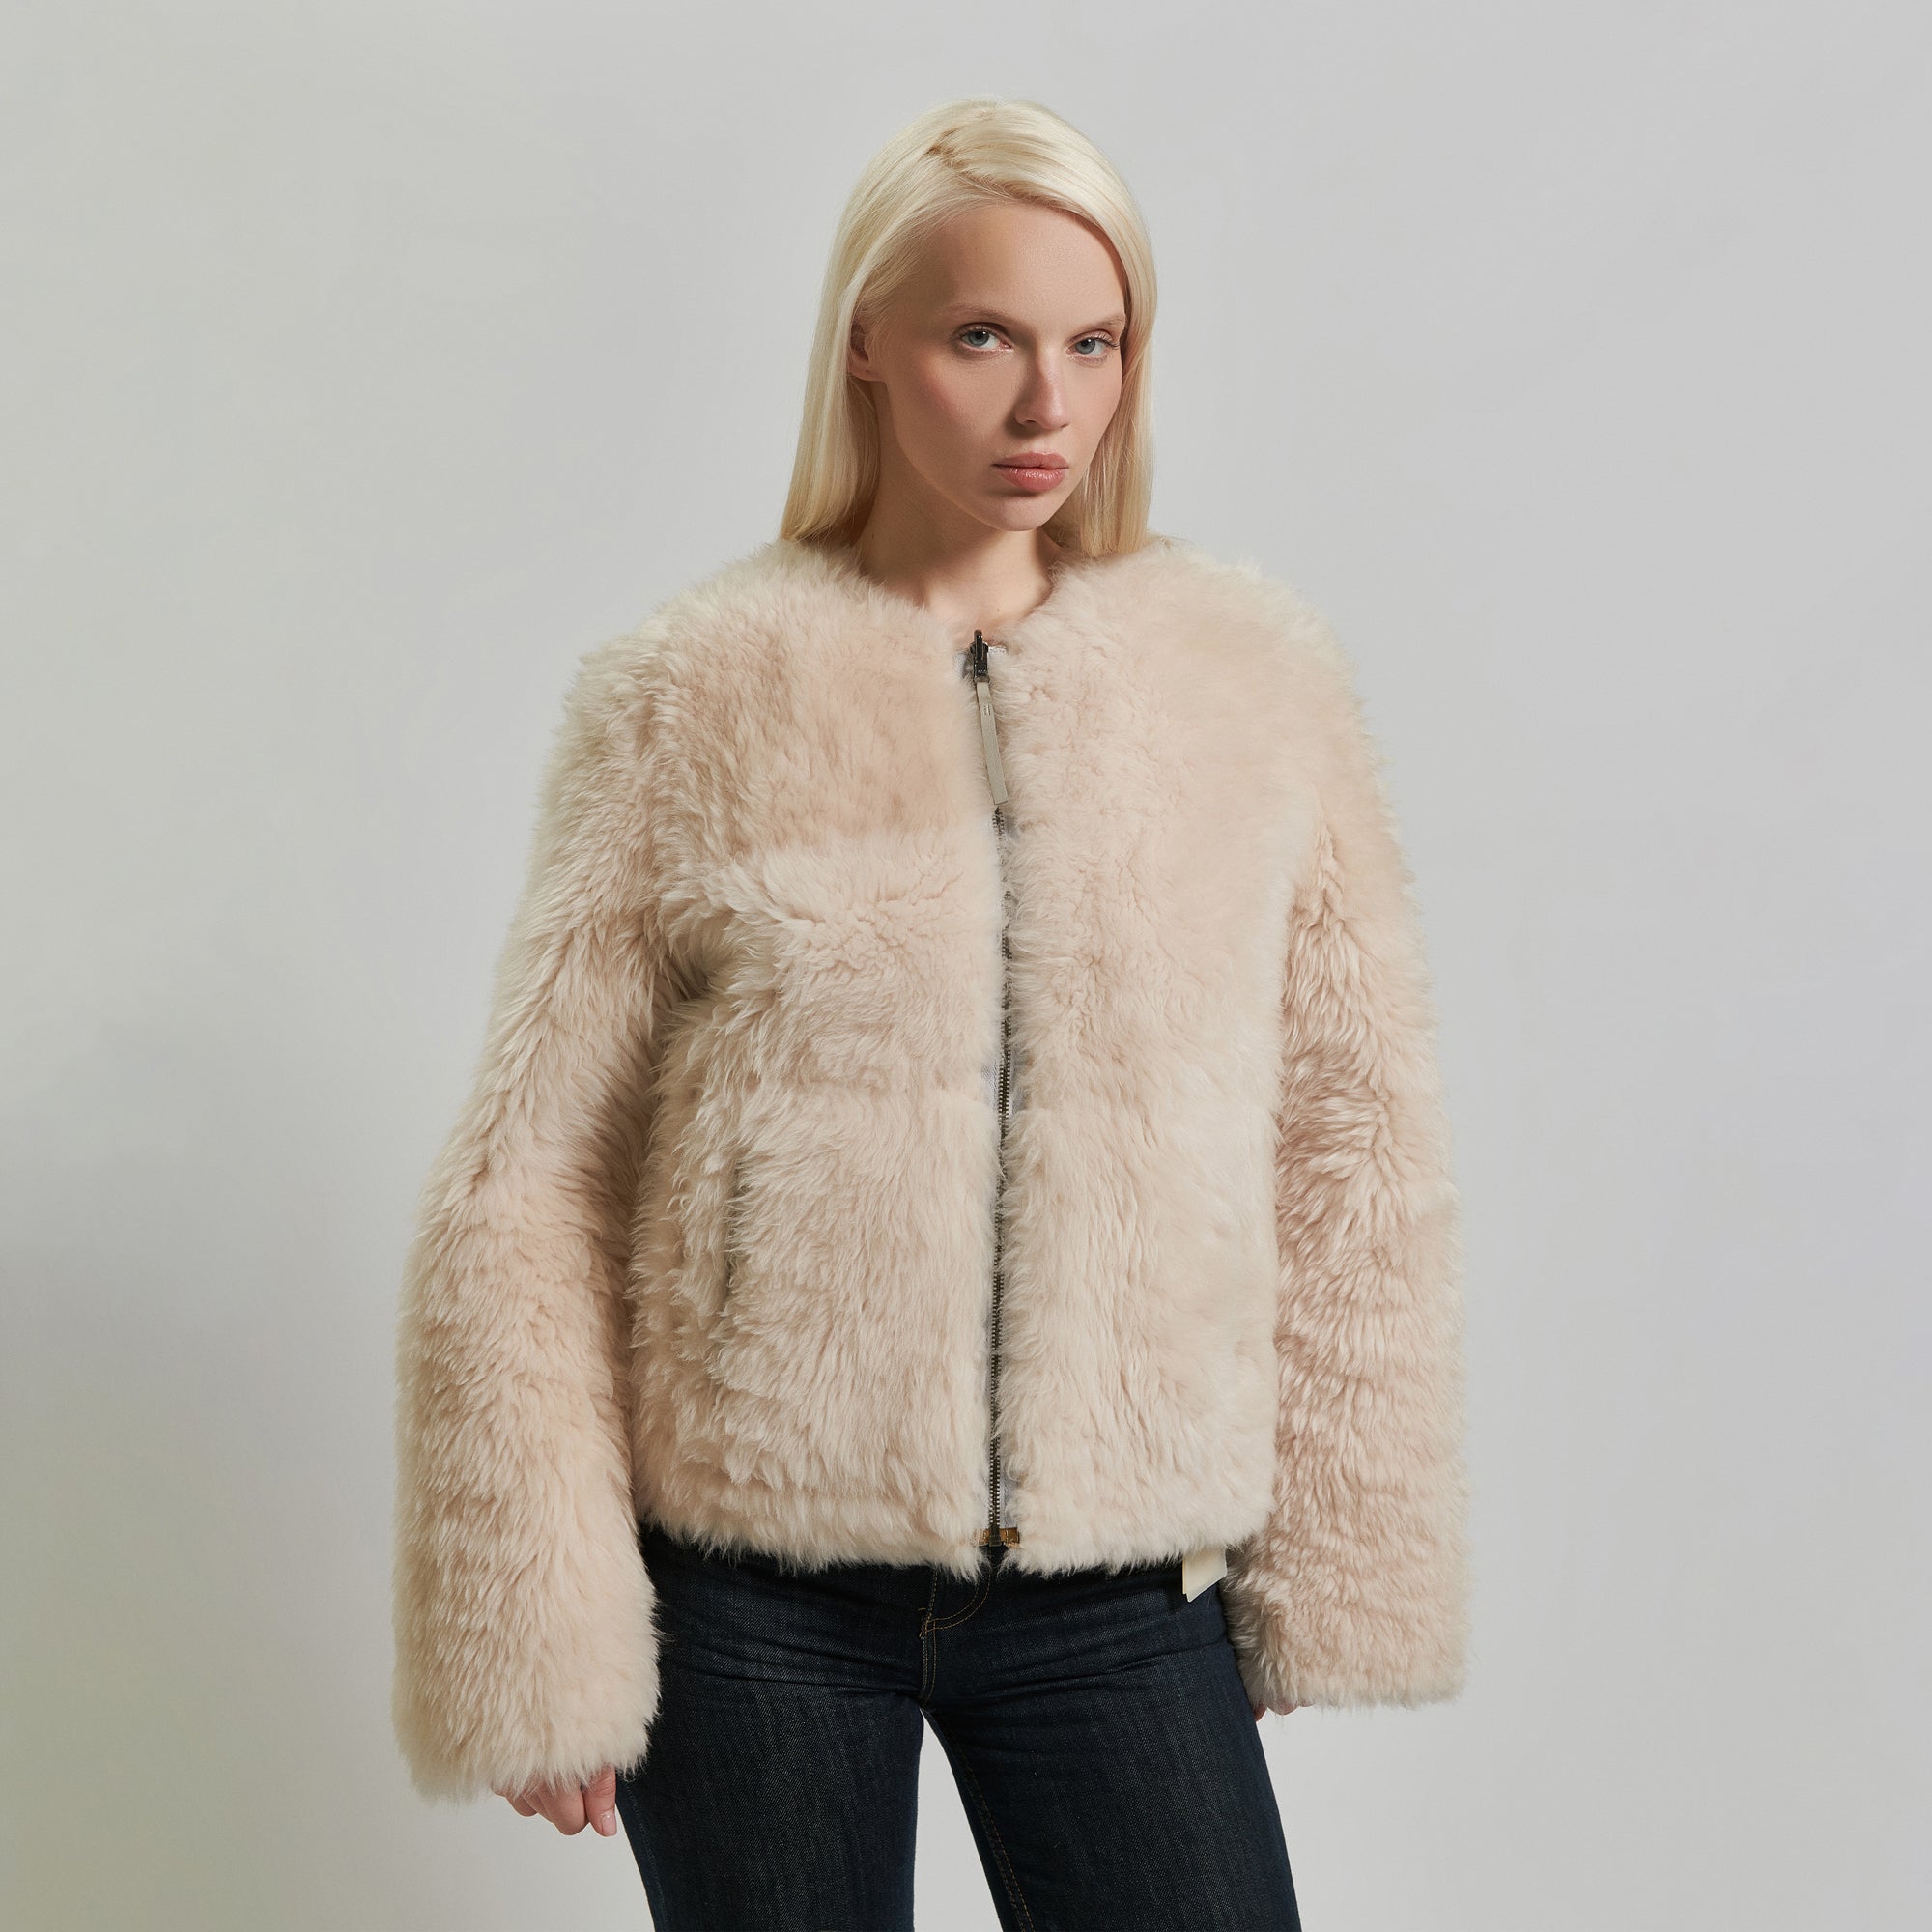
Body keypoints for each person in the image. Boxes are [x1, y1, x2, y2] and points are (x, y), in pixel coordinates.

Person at [391, 95, 1471, 1932]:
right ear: (869, 347)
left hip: (1121, 1592)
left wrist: (1333, 1558)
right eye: (985, 335)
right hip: (752, 1598)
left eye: (1096, 342)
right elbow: (530, 1179)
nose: (1049, 402)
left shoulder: (1249, 686)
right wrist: (535, 1624)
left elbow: (1354, 1131)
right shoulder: (690, 696)